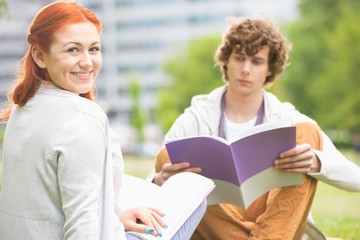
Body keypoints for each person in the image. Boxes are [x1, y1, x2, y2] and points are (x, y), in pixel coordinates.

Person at [0, 2, 206, 240]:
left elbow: (46, 204)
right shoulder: (81, 118)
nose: (87, 62)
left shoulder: (22, 110)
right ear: (39, 55)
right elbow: (83, 226)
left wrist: (115, 219)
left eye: (94, 49)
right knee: (195, 199)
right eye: (72, 50)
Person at [152, 17, 360, 239]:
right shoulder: (196, 117)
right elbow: (154, 179)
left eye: (256, 62)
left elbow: (355, 179)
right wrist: (159, 181)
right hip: (216, 223)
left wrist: (316, 161)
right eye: (239, 58)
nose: (245, 69)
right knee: (166, 156)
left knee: (307, 134)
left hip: (278, 223)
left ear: (270, 69)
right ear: (226, 62)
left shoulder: (286, 116)